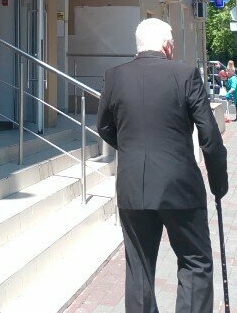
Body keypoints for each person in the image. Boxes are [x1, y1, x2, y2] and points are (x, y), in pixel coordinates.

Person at [97, 18, 228, 313]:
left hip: (132, 185)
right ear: (167, 46)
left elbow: (104, 127)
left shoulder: (114, 76)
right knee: (195, 261)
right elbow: (209, 135)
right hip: (180, 186)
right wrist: (218, 183)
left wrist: (132, 150)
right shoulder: (185, 75)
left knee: (139, 268)